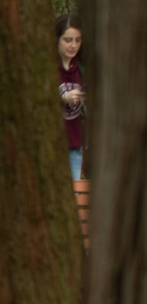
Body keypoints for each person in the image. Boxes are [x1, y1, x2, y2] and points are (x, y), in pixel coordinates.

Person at [58, 16, 86, 181]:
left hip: (76, 146)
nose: (73, 45)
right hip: (54, 146)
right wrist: (62, 99)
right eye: (68, 40)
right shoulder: (47, 67)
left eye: (77, 40)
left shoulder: (82, 69)